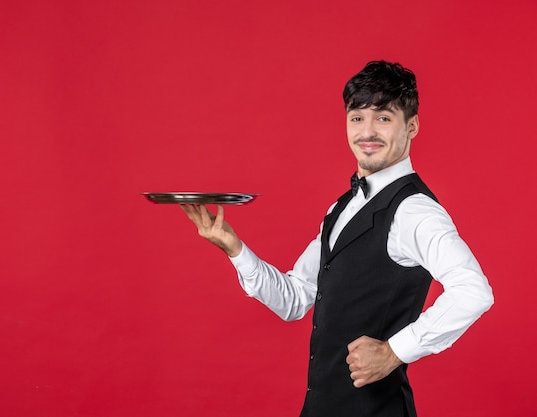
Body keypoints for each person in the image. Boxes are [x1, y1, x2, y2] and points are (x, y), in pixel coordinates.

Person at [181, 60, 494, 417]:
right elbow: (294, 299)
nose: (367, 132)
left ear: (412, 126)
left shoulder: (414, 211)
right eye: (357, 117)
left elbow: (473, 292)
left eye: (384, 117)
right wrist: (234, 248)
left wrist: (395, 351)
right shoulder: (341, 207)